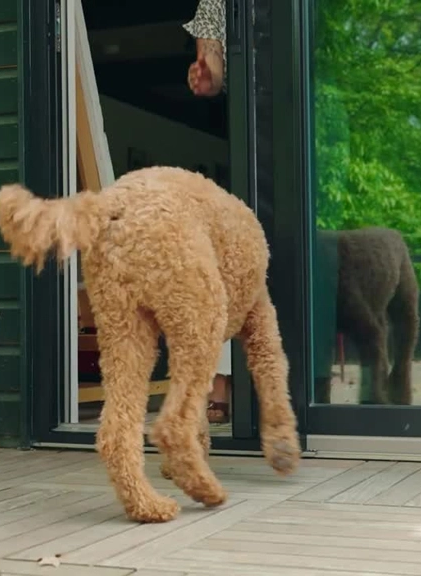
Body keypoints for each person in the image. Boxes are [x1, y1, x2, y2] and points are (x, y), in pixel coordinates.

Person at [184, 0, 231, 423]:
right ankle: (219, 388)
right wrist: (207, 74)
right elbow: (212, 69)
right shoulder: (214, 3)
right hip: (251, 134)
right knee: (220, 275)